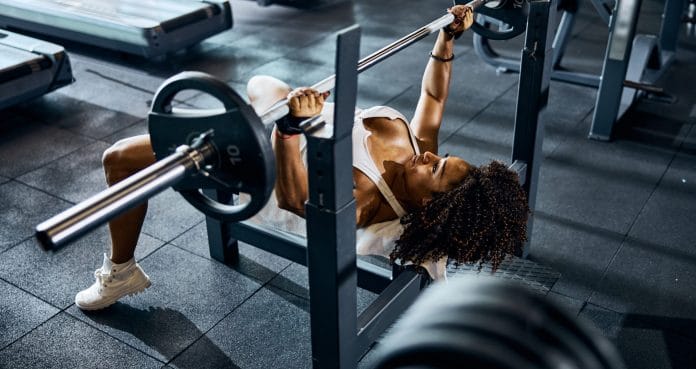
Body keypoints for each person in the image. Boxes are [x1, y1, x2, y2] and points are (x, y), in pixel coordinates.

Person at [74, 5, 529, 311]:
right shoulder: (415, 154)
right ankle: (255, 114)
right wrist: (447, 41)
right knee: (263, 83)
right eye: (440, 156)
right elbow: (432, 96)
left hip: (268, 154)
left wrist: (289, 129)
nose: (429, 155)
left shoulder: (367, 198)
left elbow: (293, 198)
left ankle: (121, 272)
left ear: (430, 204)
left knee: (118, 159)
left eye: (435, 169)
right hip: (304, 113)